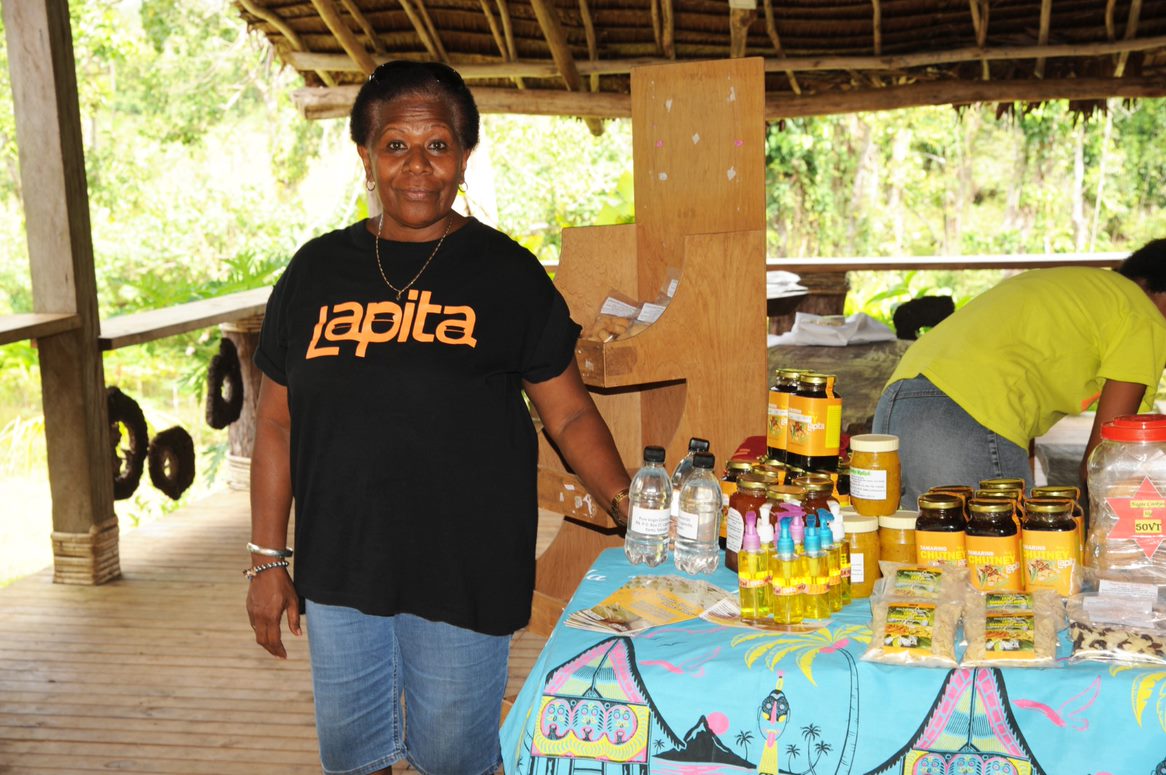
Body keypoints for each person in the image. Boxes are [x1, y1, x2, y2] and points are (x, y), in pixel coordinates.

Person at [245, 60, 632, 775]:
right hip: (342, 573)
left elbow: (570, 412)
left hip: (466, 570)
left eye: (438, 146)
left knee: (457, 762)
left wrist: (630, 504)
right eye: (395, 145)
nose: (417, 167)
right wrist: (268, 559)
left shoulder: (507, 274)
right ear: (364, 154)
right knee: (352, 761)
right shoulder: (316, 272)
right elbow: (276, 423)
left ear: (464, 153)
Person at [873, 239, 1166, 509]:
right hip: (963, 419)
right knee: (999, 560)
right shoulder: (1145, 316)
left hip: (896, 408)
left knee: (927, 561)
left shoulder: (1084, 287)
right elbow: (1103, 463)